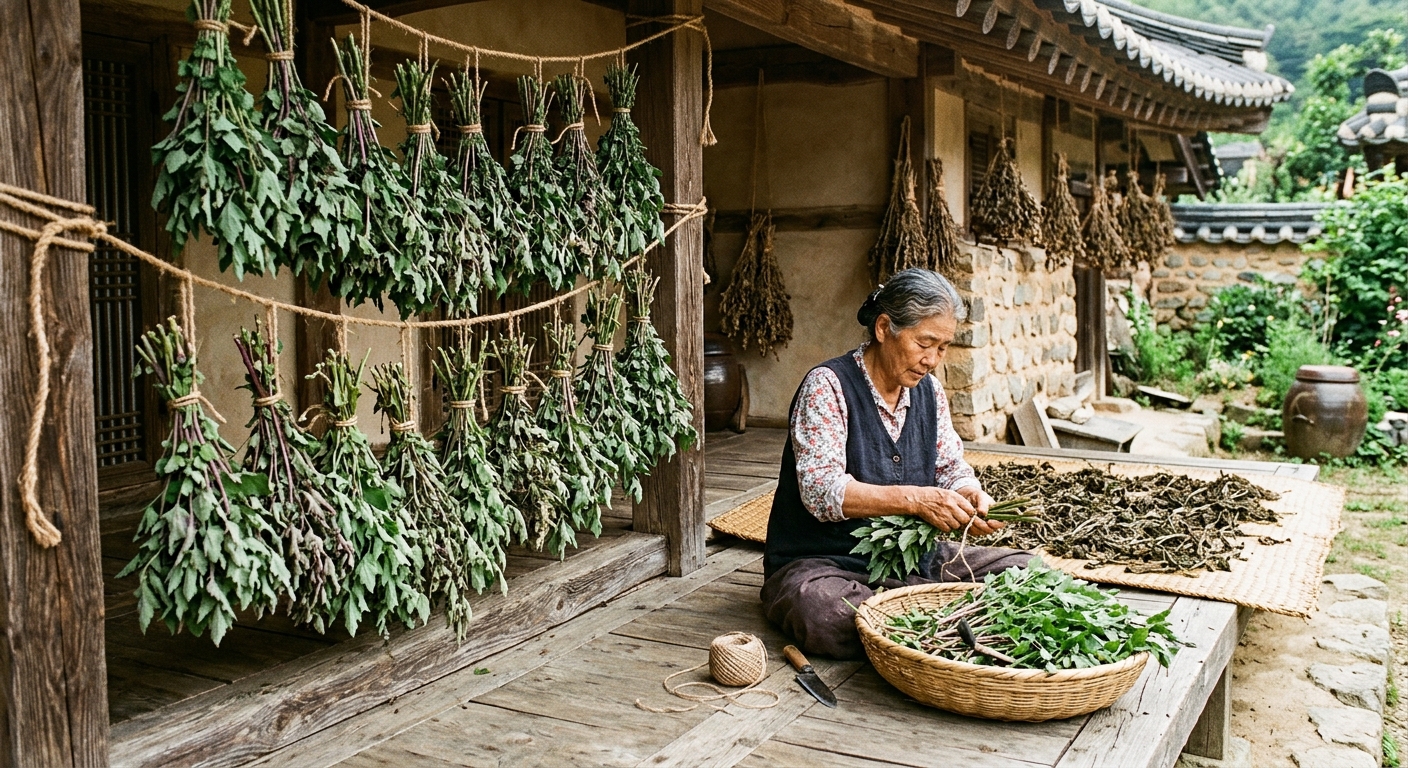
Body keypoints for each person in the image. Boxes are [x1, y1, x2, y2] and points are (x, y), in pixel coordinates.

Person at [760, 268, 1032, 659]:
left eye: (943, 347)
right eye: (925, 343)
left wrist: (969, 493)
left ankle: (908, 614)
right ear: (884, 328)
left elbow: (949, 466)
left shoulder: (929, 391)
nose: (932, 360)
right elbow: (822, 492)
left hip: (910, 560)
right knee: (824, 612)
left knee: (1027, 572)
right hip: (825, 563)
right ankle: (939, 617)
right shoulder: (827, 386)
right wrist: (916, 500)